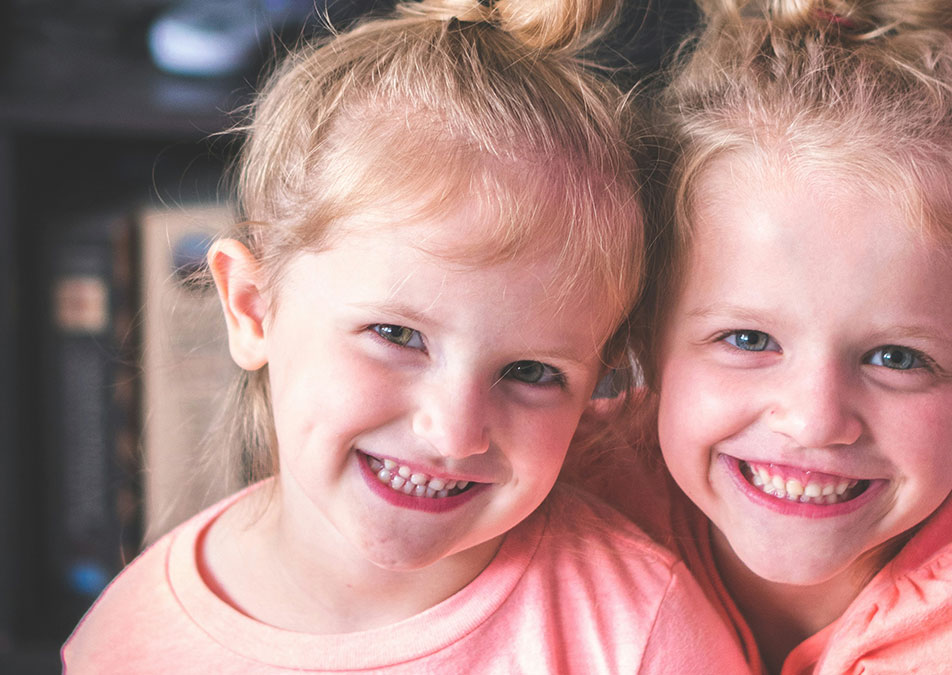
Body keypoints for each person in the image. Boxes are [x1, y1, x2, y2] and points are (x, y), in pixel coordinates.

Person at [61, 1, 751, 672]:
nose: (455, 431)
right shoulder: (125, 641)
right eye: (396, 334)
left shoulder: (644, 638)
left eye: (532, 373)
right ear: (251, 307)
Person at [584, 0, 952, 672]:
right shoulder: (582, 482)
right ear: (644, 334)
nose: (816, 419)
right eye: (748, 339)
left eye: (896, 357)